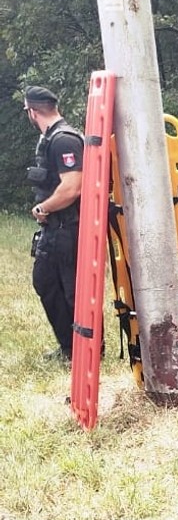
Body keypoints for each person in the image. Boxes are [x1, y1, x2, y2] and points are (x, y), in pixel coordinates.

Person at [24, 85, 84, 361]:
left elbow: (72, 187)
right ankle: (69, 347)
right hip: (56, 227)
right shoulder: (52, 138)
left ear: (32, 111)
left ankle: (83, 350)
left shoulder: (63, 140)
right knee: (47, 281)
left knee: (71, 290)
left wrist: (43, 207)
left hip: (67, 227)